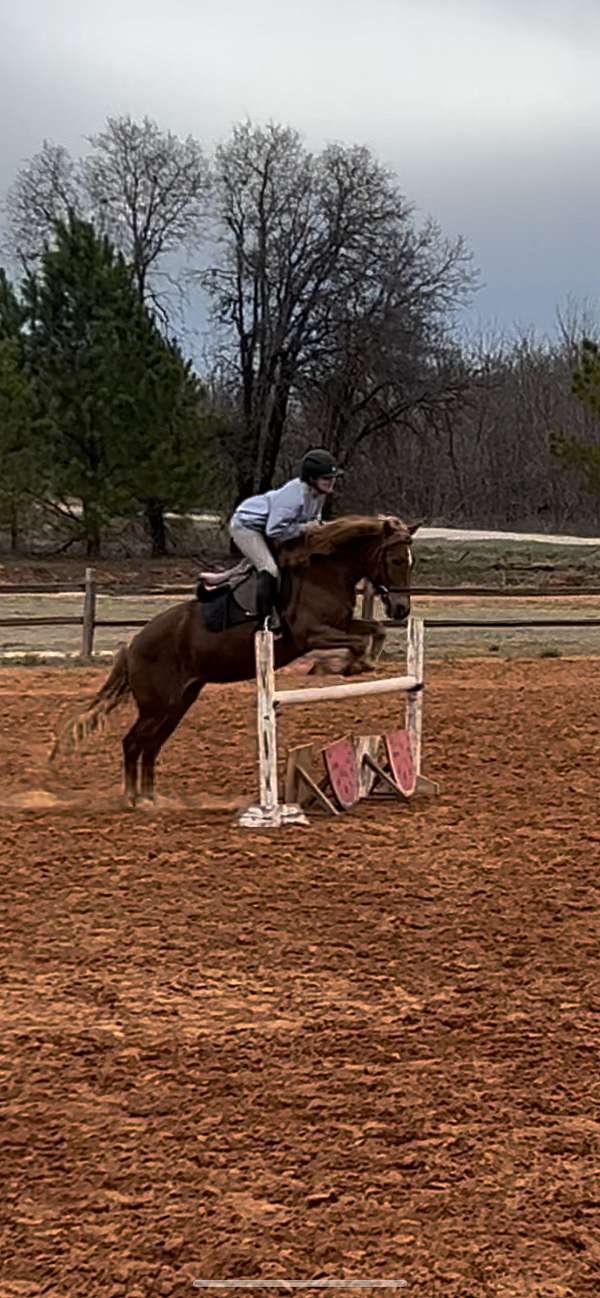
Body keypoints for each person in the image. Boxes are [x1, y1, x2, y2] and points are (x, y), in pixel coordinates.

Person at [229, 448, 343, 629]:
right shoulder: (294, 496)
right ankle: (265, 621)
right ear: (312, 478)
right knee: (270, 569)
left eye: (333, 478)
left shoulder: (318, 495)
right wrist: (305, 528)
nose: (331, 482)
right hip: (247, 527)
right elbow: (273, 530)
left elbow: (312, 522)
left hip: (269, 529)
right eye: (326, 478)